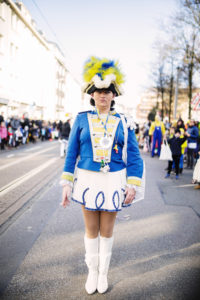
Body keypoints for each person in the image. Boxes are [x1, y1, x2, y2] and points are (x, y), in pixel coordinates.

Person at [60, 56, 144, 294]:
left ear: (113, 95)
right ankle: (92, 272)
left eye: (107, 91)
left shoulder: (124, 122)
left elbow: (135, 157)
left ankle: (103, 273)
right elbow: (71, 154)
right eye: (99, 91)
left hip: (114, 180)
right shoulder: (81, 119)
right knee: (91, 230)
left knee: (106, 231)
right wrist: (66, 184)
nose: (103, 95)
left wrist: (132, 185)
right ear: (92, 95)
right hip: (87, 179)